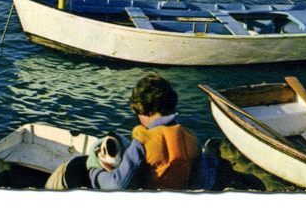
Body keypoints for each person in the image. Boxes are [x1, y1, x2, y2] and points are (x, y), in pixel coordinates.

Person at [85, 74, 216, 191]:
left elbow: (118, 184)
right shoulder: (191, 139)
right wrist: (211, 157)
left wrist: (94, 172)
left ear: (142, 110)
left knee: (77, 168)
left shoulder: (143, 142)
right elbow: (203, 184)